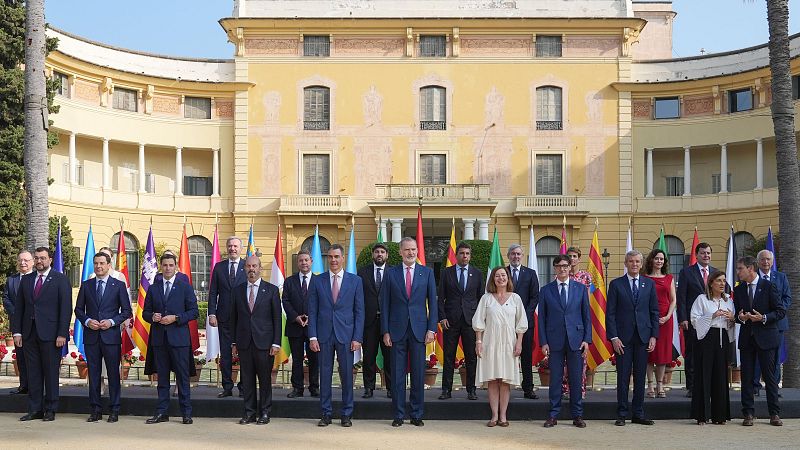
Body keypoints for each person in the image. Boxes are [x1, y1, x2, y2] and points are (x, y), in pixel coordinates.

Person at [381, 237, 438, 427]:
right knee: (397, 375)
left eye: (413, 249)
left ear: (417, 251)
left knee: (418, 375)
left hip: (419, 331)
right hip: (396, 331)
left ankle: (416, 414)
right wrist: (385, 331)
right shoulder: (390, 273)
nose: (410, 253)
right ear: (400, 252)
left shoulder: (427, 273)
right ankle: (398, 415)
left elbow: (433, 303)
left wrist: (431, 329)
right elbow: (385, 304)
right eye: (407, 250)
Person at [11, 247, 71, 422]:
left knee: (51, 373)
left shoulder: (60, 279)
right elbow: (19, 308)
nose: (39, 261)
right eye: (36, 258)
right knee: (33, 373)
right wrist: (17, 332)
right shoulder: (27, 280)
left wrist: (62, 334)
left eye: (43, 258)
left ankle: (50, 409)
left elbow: (65, 308)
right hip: (29, 334)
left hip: (51, 335)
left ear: (50, 260)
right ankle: (35, 409)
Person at [308, 244, 364, 427]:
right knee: (324, 375)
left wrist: (357, 338)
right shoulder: (317, 281)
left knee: (347, 376)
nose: (333, 260)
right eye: (330, 256)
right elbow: (312, 310)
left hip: (346, 335)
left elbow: (359, 312)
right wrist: (312, 336)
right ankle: (326, 414)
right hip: (323, 335)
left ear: (343, 258)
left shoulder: (355, 281)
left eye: (336, 257)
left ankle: (346, 414)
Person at [73, 252, 132, 423]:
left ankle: (114, 410)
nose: (98, 266)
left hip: (111, 337)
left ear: (108, 265)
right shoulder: (86, 285)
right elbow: (78, 310)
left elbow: (126, 311)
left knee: (113, 374)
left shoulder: (118, 285)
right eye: (96, 263)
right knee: (94, 374)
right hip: (91, 337)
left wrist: (112, 322)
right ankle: (95, 410)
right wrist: (87, 321)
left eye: (102, 263)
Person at [142, 253, 199, 425]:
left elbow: (194, 312)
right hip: (160, 340)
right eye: (165, 265)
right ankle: (162, 412)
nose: (167, 268)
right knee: (162, 379)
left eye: (171, 265)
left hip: (179, 340)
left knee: (182, 378)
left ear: (176, 267)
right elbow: (145, 313)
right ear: (161, 266)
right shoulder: (154, 288)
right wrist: (152, 316)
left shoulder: (184, 287)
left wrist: (176, 318)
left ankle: (186, 413)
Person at [606, 250, 659, 427]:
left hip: (643, 337)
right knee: (623, 377)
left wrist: (654, 336)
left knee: (640, 376)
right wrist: (614, 337)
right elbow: (610, 313)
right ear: (625, 263)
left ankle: (638, 413)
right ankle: (622, 414)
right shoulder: (616, 284)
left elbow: (654, 311)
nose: (634, 264)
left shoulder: (649, 284)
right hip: (622, 339)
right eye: (631, 261)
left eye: (637, 261)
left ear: (642, 264)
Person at [539, 255, 591, 428]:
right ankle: (553, 415)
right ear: (554, 268)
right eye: (559, 266)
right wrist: (543, 342)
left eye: (565, 265)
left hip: (576, 340)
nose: (562, 269)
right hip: (554, 341)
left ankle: (577, 415)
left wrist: (587, 339)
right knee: (555, 379)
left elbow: (586, 316)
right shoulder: (546, 290)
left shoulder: (580, 288)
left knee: (576, 379)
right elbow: (542, 319)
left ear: (570, 267)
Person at [230, 255, 282, 425]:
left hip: (265, 343)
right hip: (244, 342)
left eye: (254, 266)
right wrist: (234, 342)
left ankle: (265, 412)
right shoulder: (237, 290)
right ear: (244, 269)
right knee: (247, 379)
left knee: (265, 379)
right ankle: (249, 413)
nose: (251, 269)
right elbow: (234, 318)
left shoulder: (271, 290)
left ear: (260, 268)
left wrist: (276, 343)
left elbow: (277, 318)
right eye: (248, 266)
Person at [473, 267, 527, 427]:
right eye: (497, 276)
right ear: (493, 279)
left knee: (504, 381)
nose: (500, 278)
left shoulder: (516, 298)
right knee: (492, 380)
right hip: (490, 343)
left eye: (503, 275)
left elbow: (522, 323)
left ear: (508, 278)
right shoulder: (486, 299)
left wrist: (519, 343)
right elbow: (478, 322)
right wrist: (478, 342)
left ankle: (503, 416)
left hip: (509, 344)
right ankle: (494, 416)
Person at [734, 256, 784, 427]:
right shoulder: (739, 290)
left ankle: (774, 413)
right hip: (747, 339)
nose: (738, 272)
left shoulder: (769, 286)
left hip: (766, 338)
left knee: (769, 377)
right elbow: (737, 314)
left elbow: (780, 311)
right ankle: (748, 413)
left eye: (740, 268)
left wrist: (763, 318)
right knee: (746, 377)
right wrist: (740, 318)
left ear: (750, 268)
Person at [438, 242, 484, 401]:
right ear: (456, 255)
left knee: (471, 357)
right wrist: (442, 317)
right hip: (450, 321)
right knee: (449, 356)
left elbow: (481, 298)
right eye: (462, 253)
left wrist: (480, 320)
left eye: (467, 253)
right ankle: (446, 390)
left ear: (470, 256)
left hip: (471, 321)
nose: (465, 256)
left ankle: (471, 390)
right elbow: (440, 298)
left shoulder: (477, 273)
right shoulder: (446, 273)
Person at [689, 270, 734, 425]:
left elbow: (732, 322)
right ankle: (701, 415)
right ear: (711, 283)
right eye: (719, 280)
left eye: (724, 281)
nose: (722, 284)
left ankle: (719, 416)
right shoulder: (702, 299)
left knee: (720, 376)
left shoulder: (728, 300)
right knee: (703, 374)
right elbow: (694, 319)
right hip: (706, 338)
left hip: (722, 338)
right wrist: (712, 316)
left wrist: (731, 318)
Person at [208, 237, 246, 398]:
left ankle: (244, 388)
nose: (232, 249)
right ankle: (227, 387)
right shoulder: (219, 267)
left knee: (244, 354)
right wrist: (211, 313)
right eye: (230, 246)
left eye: (235, 246)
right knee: (225, 354)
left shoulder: (248, 265)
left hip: (244, 318)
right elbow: (213, 292)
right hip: (223, 318)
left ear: (241, 249)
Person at [677, 242, 716, 397]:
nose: (706, 256)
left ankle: (709, 385)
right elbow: (681, 297)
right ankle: (692, 387)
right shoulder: (686, 272)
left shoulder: (715, 273)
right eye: (703, 253)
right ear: (696, 255)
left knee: (710, 353)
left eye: (708, 253)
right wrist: (683, 318)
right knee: (692, 354)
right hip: (693, 320)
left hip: (713, 321)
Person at [752, 249, 791, 397]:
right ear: (758, 262)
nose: (766, 262)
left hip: (777, 324)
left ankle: (773, 388)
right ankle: (754, 386)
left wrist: (775, 314)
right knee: (756, 356)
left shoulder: (781, 277)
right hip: (757, 323)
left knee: (775, 358)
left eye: (768, 259)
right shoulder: (753, 277)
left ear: (772, 261)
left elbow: (787, 298)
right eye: (762, 259)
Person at [282, 249, 319, 398]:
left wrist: (311, 318)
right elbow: (285, 301)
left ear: (311, 261)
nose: (304, 263)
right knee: (297, 359)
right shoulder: (289, 281)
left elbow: (322, 302)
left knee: (314, 359)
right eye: (301, 260)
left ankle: (314, 387)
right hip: (294, 326)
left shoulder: (319, 281)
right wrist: (296, 317)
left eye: (306, 260)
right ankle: (297, 388)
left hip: (313, 328)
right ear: (297, 263)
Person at [357, 243, 392, 399]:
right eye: (377, 251)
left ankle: (390, 388)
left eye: (382, 252)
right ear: (373, 254)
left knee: (389, 357)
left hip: (388, 323)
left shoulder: (393, 272)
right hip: (368, 322)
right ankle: (369, 388)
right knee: (369, 356)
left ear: (387, 255)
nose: (379, 254)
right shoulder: (362, 272)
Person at [506, 244, 540, 399]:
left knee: (526, 356)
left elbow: (534, 297)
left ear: (522, 256)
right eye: (513, 254)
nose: (516, 256)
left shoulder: (530, 274)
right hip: (505, 322)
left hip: (525, 323)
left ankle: (528, 388)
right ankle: (505, 388)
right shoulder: (503, 272)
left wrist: (523, 316)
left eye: (518, 254)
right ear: (508, 256)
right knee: (506, 356)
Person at [642, 249, 676, 399]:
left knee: (662, 353)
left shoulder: (669, 278)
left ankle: (660, 385)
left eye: (661, 259)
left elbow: (673, 300)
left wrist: (668, 316)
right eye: (656, 258)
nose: (659, 261)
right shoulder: (644, 278)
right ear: (651, 260)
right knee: (650, 352)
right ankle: (650, 385)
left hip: (665, 320)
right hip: (648, 319)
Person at [3, 250, 33, 395]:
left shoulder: (37, 278)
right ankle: (24, 386)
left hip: (35, 325)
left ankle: (36, 387)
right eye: (20, 260)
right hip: (18, 325)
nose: (23, 263)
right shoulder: (12, 280)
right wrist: (17, 313)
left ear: (32, 262)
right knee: (20, 356)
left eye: (26, 260)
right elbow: (6, 298)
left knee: (34, 358)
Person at [563, 246, 591, 400]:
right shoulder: (562, 276)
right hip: (564, 325)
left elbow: (587, 303)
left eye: (574, 256)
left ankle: (580, 390)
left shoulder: (586, 277)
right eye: (569, 256)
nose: (572, 259)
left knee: (581, 361)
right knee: (565, 362)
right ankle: (565, 389)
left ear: (579, 259)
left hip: (579, 324)